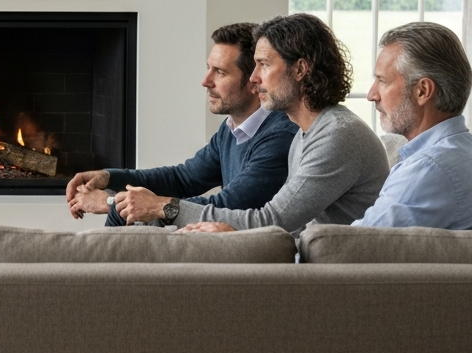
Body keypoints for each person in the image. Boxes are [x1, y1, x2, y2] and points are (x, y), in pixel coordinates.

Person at [155, 13, 388, 237]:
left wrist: (165, 208)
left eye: (263, 64)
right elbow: (287, 225)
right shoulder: (306, 132)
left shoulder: (337, 134)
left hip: (332, 272)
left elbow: (271, 221)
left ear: (299, 69)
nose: (254, 78)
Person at [67, 23, 298, 225]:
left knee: (121, 214)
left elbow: (227, 207)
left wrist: (113, 202)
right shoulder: (232, 129)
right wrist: (109, 177)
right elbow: (182, 179)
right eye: (209, 68)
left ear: (253, 81)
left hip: (249, 251)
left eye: (220, 72)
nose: (206, 81)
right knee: (123, 215)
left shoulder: (279, 135)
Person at [353, 22, 472, 229]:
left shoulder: (429, 169)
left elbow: (354, 245)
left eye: (382, 81)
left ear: (423, 91)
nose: (372, 95)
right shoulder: (463, 150)